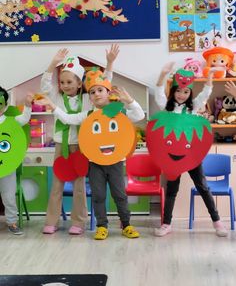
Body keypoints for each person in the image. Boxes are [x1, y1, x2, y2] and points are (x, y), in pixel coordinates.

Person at [38, 69, 145, 240]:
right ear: (90, 97)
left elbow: (139, 115)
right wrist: (54, 107)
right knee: (98, 195)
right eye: (93, 92)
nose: (96, 94)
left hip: (115, 161)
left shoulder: (118, 112)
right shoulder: (88, 115)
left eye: (100, 90)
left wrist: (130, 101)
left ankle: (126, 224)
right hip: (95, 162)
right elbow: (68, 119)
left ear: (108, 92)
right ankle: (102, 226)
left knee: (119, 194)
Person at [40, 45, 120, 235]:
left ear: (79, 83)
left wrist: (109, 63)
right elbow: (45, 86)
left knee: (79, 187)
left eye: (69, 81)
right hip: (61, 145)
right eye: (62, 82)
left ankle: (79, 222)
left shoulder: (87, 99)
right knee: (57, 185)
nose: (65, 85)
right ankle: (52, 220)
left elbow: (105, 84)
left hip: (81, 146)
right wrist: (52, 65)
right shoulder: (57, 97)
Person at [152, 63, 228, 237]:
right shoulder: (167, 108)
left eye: (186, 92)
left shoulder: (193, 107)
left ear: (190, 93)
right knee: (172, 189)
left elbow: (205, 94)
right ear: (173, 91)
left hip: (191, 155)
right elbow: (158, 94)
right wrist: (162, 75)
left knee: (202, 186)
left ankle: (217, 222)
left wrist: (210, 77)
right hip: (172, 157)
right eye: (178, 91)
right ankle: (167, 224)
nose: (181, 95)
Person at [0, 86, 33, 235]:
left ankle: (12, 222)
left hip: (7, 166)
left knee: (9, 195)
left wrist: (27, 105)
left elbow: (25, 119)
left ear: (5, 105)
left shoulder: (11, 121)